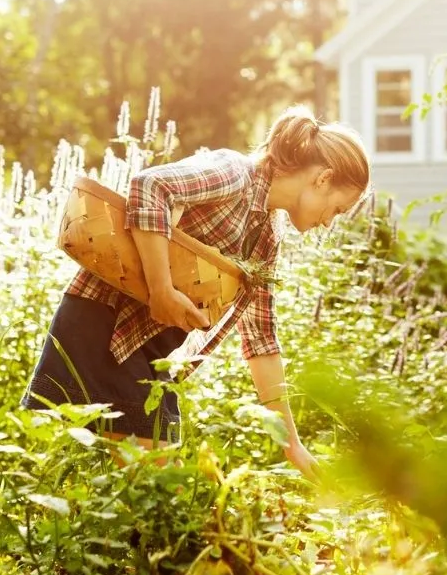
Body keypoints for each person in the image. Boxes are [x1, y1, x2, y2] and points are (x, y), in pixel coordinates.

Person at [23, 106, 370, 478]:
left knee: (145, 483)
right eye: (336, 208)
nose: (328, 221)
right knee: (156, 482)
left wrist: (293, 446)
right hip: (105, 324)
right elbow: (150, 187)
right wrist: (161, 289)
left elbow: (261, 340)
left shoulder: (267, 239)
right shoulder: (235, 174)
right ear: (322, 178)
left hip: (147, 350)